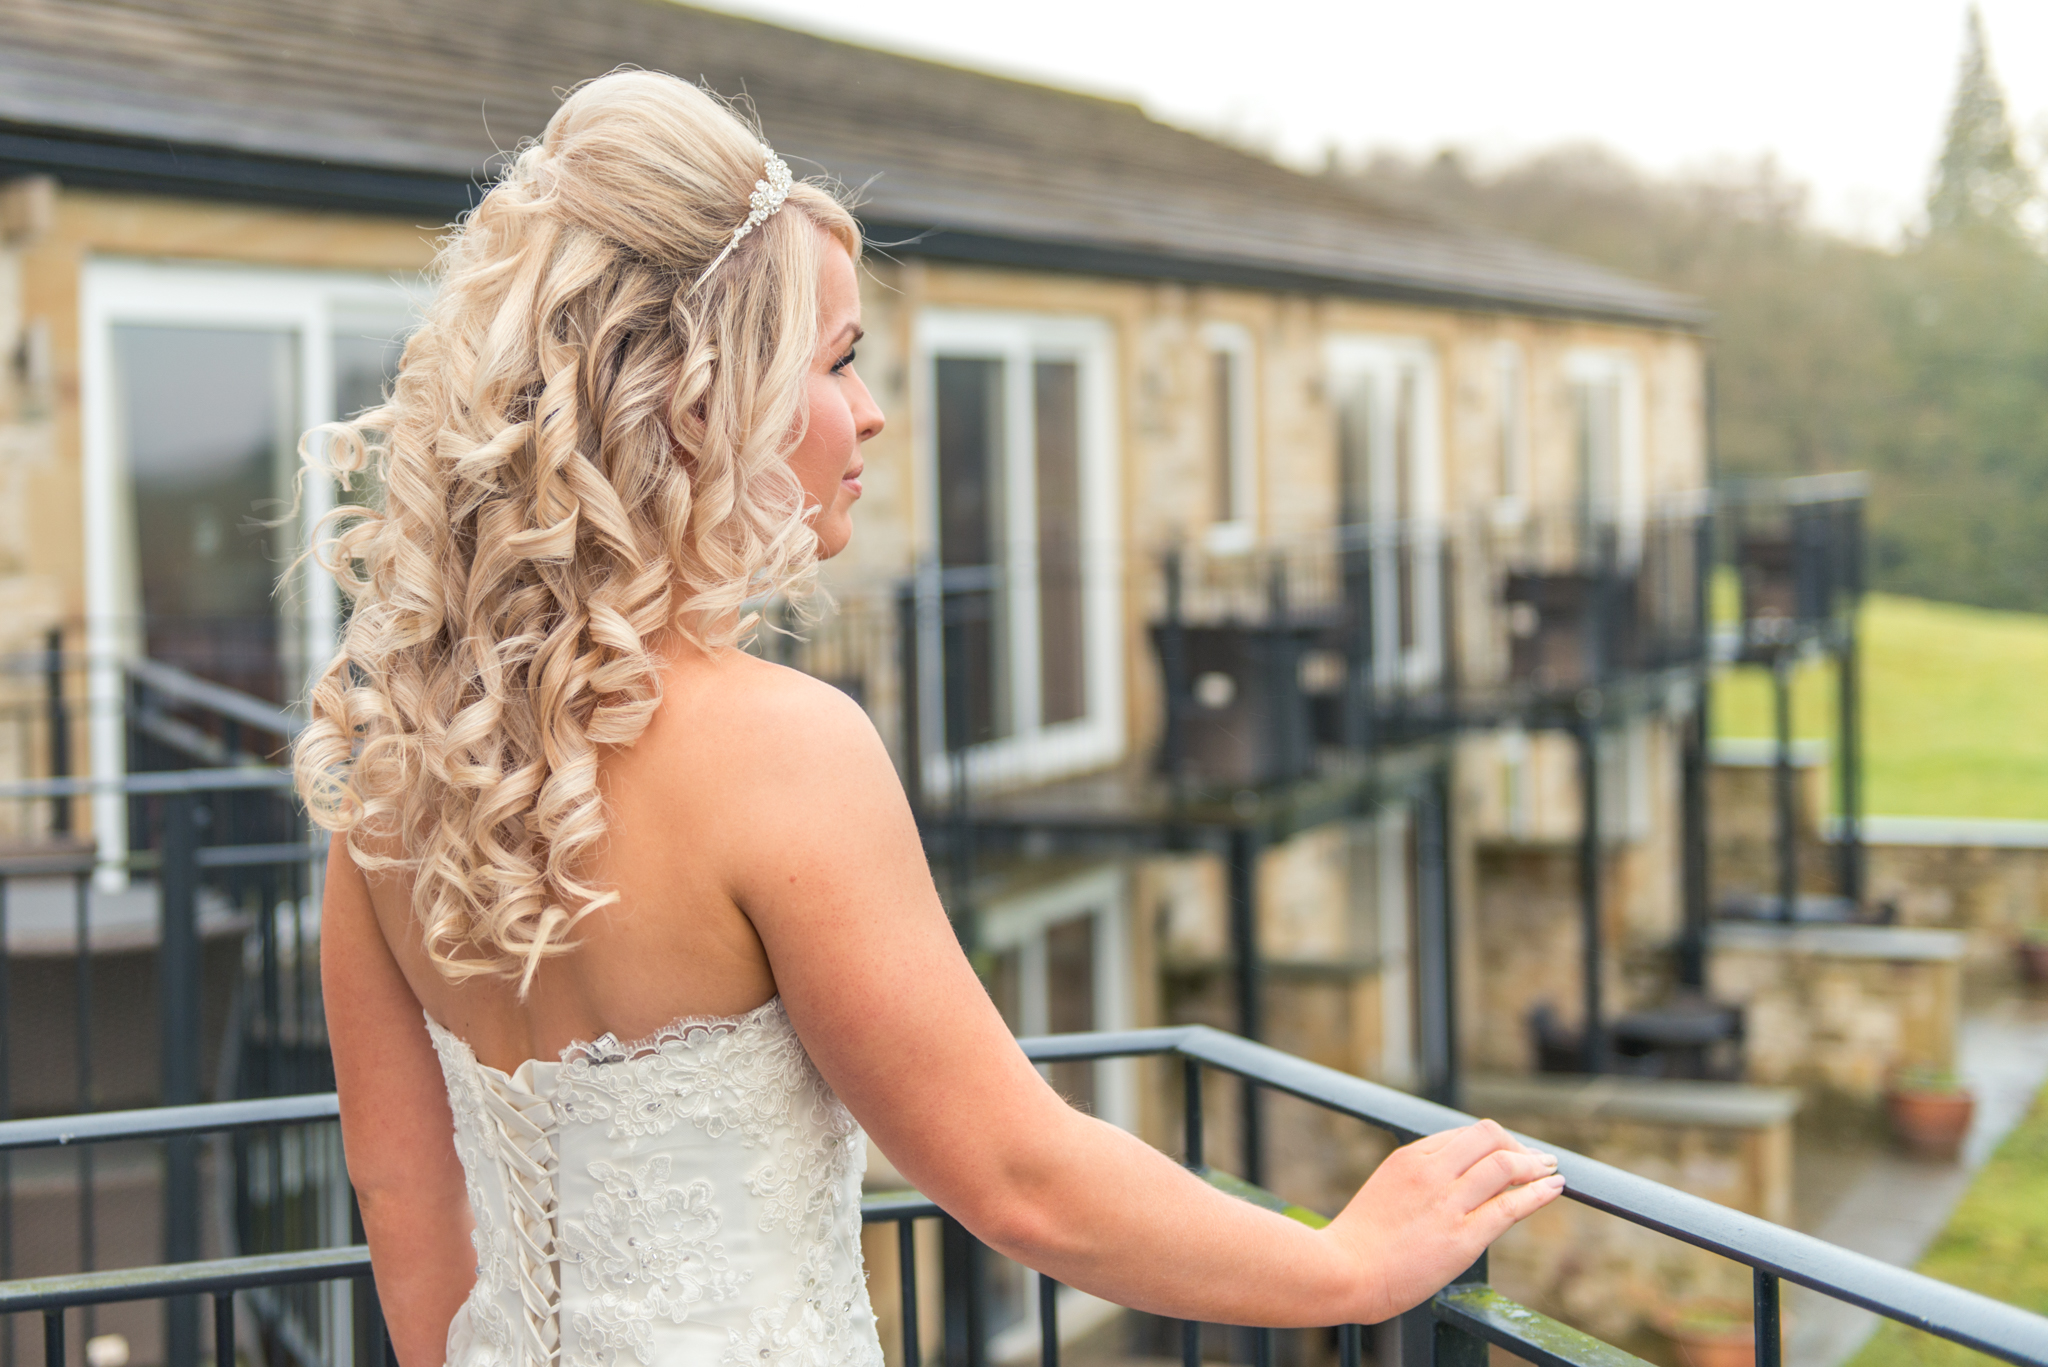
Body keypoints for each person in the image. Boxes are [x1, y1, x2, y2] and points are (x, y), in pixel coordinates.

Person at [299, 69, 1565, 1367]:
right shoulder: (784, 750)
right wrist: (1345, 1265)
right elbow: (1022, 1179)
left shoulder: (395, 755)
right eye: (839, 361)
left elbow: (406, 1202)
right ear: (698, 398)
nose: (873, 411)